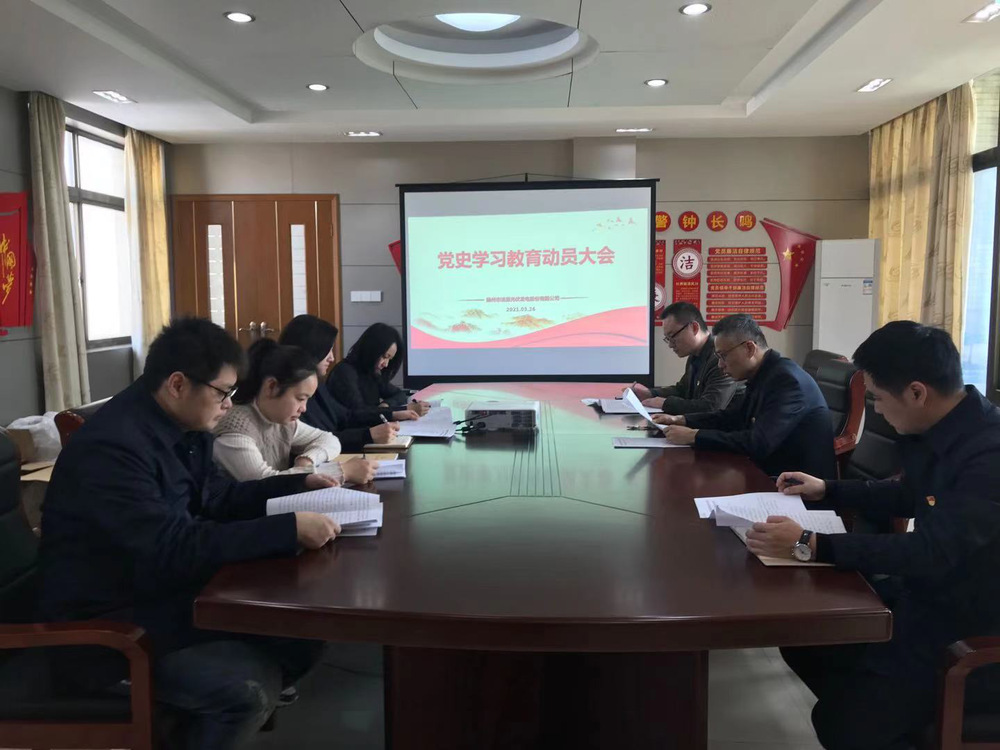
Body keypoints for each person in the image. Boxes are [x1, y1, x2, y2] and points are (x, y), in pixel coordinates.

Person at [38, 317, 343, 750]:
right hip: (109, 630)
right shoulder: (113, 449)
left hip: (161, 595)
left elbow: (218, 498)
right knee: (246, 689)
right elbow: (172, 546)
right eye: (223, 393)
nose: (229, 405)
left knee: (302, 633)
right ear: (178, 384)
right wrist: (286, 529)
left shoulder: (185, 427)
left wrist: (299, 485)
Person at [746, 321, 1000, 750]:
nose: (877, 411)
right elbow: (908, 495)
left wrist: (811, 544)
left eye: (878, 398)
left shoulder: (989, 454)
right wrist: (828, 489)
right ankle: (871, 700)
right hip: (928, 597)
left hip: (969, 628)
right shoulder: (941, 427)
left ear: (917, 392)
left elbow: (931, 552)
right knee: (806, 638)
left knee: (841, 724)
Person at [653, 314, 836, 479]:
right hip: (768, 474)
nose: (720, 365)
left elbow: (759, 442)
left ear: (749, 348)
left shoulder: (786, 381)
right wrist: (682, 419)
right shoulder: (764, 373)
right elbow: (734, 417)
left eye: (723, 356)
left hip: (797, 487)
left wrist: (695, 436)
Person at [213, 338, 377, 485]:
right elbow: (265, 482)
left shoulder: (280, 420)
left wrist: (307, 460)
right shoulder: (234, 430)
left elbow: (330, 440)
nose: (304, 408)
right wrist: (342, 472)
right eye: (300, 398)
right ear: (272, 387)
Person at [278, 314, 400, 452]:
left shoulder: (317, 385)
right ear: (311, 349)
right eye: (327, 350)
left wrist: (393, 414)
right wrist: (369, 435)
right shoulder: (288, 398)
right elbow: (318, 440)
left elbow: (347, 416)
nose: (332, 358)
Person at [625, 302, 741, 414]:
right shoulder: (695, 355)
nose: (670, 345)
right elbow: (682, 390)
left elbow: (711, 407)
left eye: (672, 336)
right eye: (667, 339)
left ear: (694, 328)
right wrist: (650, 393)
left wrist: (666, 403)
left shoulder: (719, 358)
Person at [326, 322, 430, 422]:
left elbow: (399, 395)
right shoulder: (344, 372)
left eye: (389, 359)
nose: (386, 364)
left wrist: (386, 405)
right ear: (372, 350)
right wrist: (404, 409)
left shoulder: (371, 372)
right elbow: (359, 414)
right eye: (385, 357)